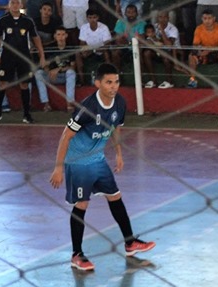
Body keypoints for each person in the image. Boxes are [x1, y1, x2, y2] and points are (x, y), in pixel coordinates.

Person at [48, 62, 155, 272]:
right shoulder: (87, 107)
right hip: (78, 162)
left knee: (115, 196)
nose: (113, 86)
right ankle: (76, 255)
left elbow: (115, 129)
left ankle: (130, 242)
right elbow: (66, 136)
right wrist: (58, 168)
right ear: (97, 83)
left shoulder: (120, 103)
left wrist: (118, 153)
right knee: (82, 204)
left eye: (116, 82)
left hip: (97, 159)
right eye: (108, 82)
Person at [0, 0, 45, 124]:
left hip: (23, 57)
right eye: (12, 3)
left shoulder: (27, 21)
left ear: (21, 5)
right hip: (7, 56)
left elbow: (36, 38)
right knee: (2, 83)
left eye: (17, 3)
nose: (15, 5)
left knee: (24, 84)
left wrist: (42, 56)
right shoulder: (3, 20)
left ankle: (26, 114)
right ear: (9, 5)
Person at [35, 25, 77, 107]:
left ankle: (69, 103)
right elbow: (44, 65)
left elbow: (73, 66)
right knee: (39, 73)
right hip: (51, 76)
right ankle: (46, 103)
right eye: (58, 34)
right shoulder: (50, 48)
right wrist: (48, 71)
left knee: (71, 73)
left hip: (64, 76)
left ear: (66, 36)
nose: (61, 37)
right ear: (54, 36)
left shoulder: (70, 48)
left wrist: (58, 69)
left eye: (63, 34)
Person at [187, 9, 218, 88]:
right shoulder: (199, 28)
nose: (207, 21)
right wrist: (199, 51)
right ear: (202, 19)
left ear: (214, 18)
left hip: (216, 51)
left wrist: (209, 50)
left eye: (209, 18)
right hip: (203, 51)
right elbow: (195, 45)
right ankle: (192, 79)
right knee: (191, 56)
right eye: (205, 18)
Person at [76, 9, 112, 82]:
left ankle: (110, 78)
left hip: (101, 51)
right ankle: (81, 80)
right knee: (78, 53)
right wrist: (85, 50)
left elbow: (107, 45)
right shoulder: (83, 27)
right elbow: (82, 43)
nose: (92, 20)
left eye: (94, 17)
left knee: (106, 53)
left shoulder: (104, 27)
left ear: (98, 18)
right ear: (87, 18)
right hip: (89, 51)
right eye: (90, 17)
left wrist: (93, 50)